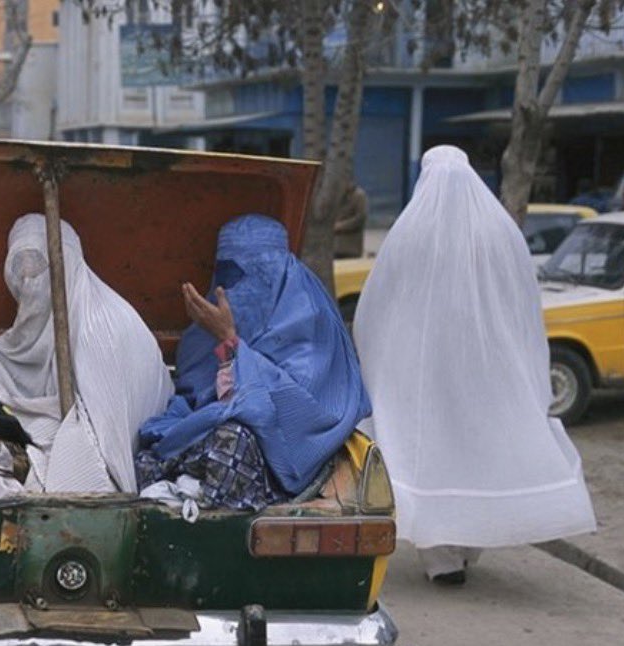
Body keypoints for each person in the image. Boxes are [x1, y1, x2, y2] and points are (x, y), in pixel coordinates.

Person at [353, 145, 596, 585]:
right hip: (484, 364)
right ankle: (467, 541)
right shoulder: (501, 232)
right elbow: (523, 300)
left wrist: (382, 356)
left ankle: (443, 559)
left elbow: (380, 303)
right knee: (476, 446)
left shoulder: (410, 232)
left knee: (432, 450)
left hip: (426, 368)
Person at [136, 214, 371, 510]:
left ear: (272, 272)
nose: (228, 289)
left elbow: (297, 416)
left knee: (232, 439)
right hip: (215, 449)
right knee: (149, 451)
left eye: (238, 276)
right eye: (223, 276)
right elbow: (194, 400)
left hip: (283, 464)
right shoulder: (204, 333)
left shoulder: (311, 326)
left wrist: (230, 340)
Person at [0, 213, 173, 493]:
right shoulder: (39, 329)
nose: (29, 282)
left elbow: (108, 454)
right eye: (20, 270)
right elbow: (7, 366)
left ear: (66, 262)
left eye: (38, 266)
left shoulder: (100, 327)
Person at [333, 182, 368, 259]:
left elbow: (360, 218)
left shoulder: (359, 196)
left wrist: (340, 226)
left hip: (351, 249)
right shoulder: (336, 195)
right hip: (334, 248)